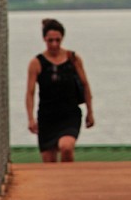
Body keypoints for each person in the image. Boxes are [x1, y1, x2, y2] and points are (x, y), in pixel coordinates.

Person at [26, 18, 94, 162]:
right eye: (50, 40)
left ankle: (69, 181)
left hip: (69, 114)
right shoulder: (36, 63)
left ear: (62, 38)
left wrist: (90, 112)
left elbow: (85, 85)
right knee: (49, 162)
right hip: (47, 116)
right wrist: (31, 118)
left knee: (66, 147)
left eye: (57, 40)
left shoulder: (73, 59)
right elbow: (30, 92)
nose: (54, 44)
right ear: (44, 39)